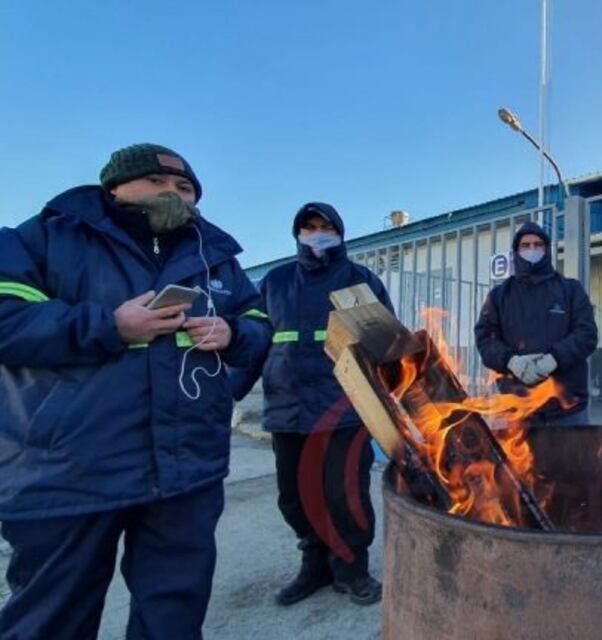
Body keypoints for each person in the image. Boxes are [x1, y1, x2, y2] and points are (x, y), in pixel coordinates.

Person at [0, 143, 272, 639]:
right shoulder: (43, 238)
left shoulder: (215, 258)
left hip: (186, 470)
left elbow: (257, 321)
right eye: (156, 181)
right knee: (50, 616)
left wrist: (234, 334)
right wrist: (109, 324)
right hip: (69, 469)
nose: (173, 192)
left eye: (185, 187)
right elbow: (7, 318)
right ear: (114, 187)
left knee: (172, 614)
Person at [230, 202, 391, 607]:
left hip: (343, 408)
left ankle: (352, 569)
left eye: (325, 226)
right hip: (287, 408)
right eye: (309, 227)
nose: (318, 233)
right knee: (293, 496)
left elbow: (385, 343)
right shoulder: (276, 281)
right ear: (297, 233)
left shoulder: (360, 280)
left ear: (339, 231)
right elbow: (255, 341)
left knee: (345, 495)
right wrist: (228, 392)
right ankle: (315, 564)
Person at [475, 221, 598, 426]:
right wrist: (511, 361)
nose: (532, 249)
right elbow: (485, 338)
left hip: (567, 408)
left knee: (573, 459)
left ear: (546, 249)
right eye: (526, 245)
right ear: (516, 251)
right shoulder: (499, 296)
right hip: (518, 409)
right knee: (519, 459)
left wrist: (555, 358)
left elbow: (587, 334)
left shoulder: (570, 289)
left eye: (538, 244)